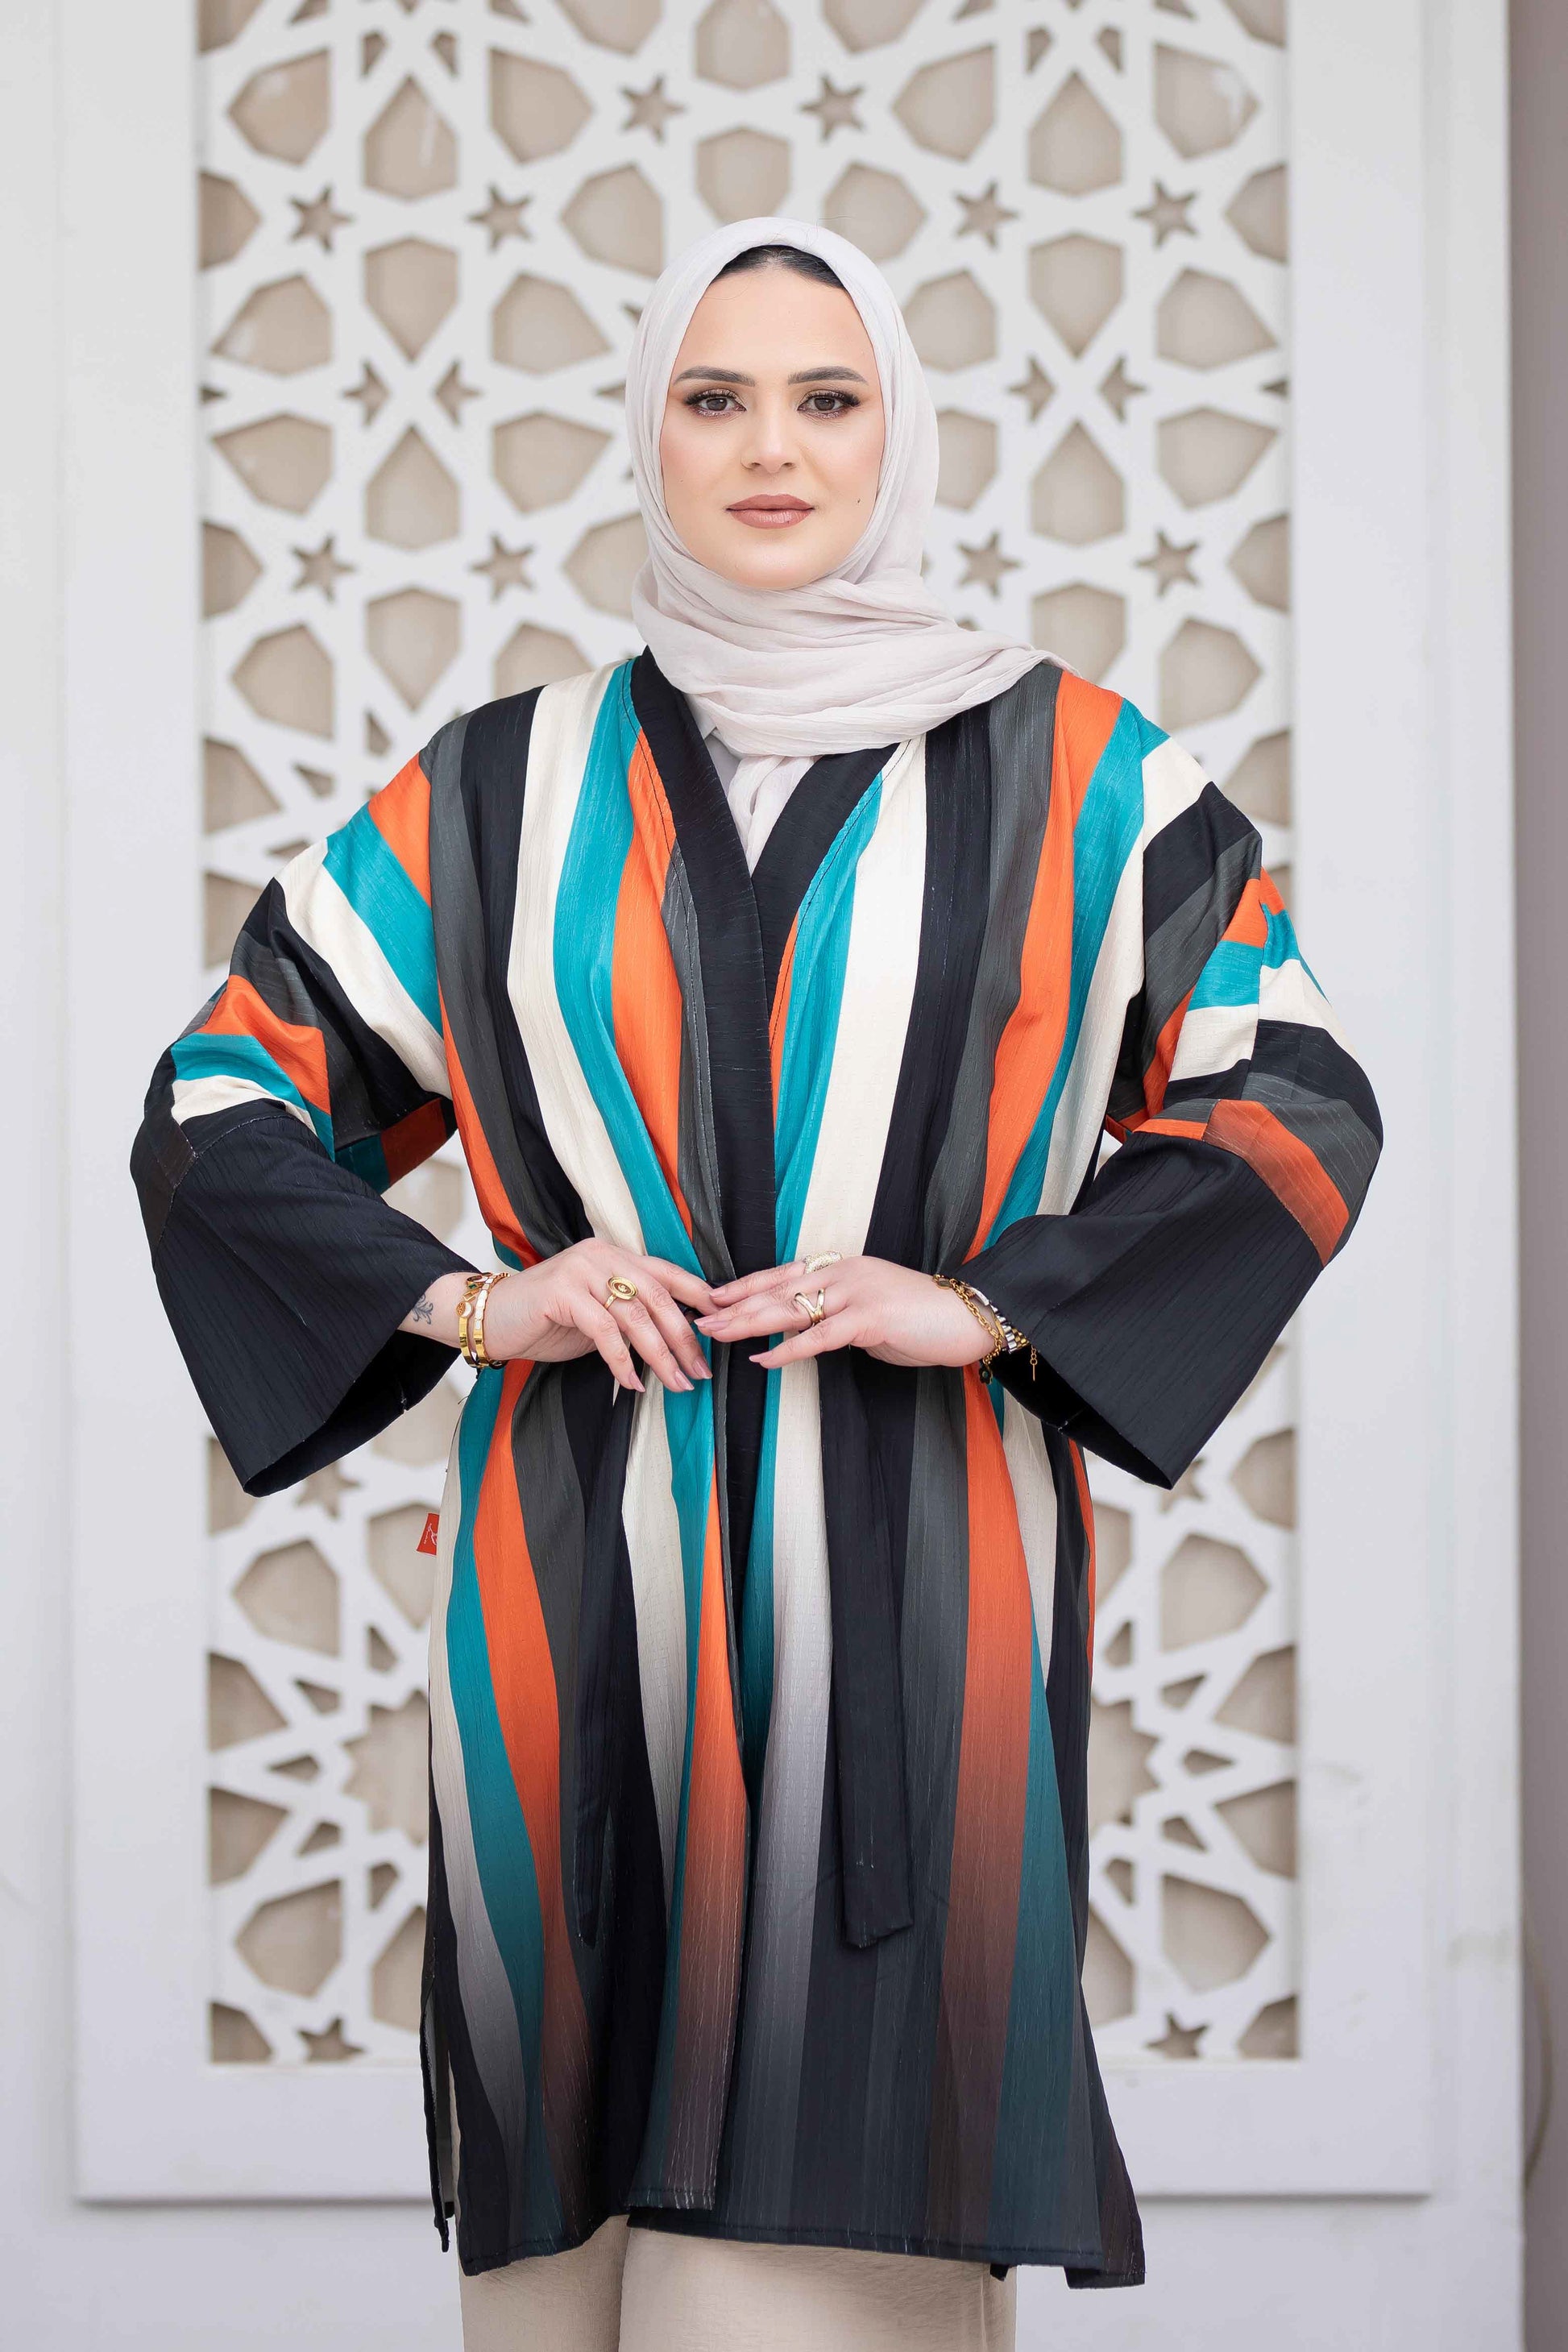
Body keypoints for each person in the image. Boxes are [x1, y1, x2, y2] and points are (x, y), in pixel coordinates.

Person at [132, 216, 1381, 2350]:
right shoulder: (498, 790)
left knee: (791, 2272)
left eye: (827, 397)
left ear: (899, 427)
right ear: (647, 431)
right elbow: (219, 1106)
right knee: (550, 2303)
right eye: (713, 397)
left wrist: (987, 1302)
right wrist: (473, 1303)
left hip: (911, 1618)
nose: (768, 449)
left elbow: (1293, 1095)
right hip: (555, 1616)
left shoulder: (1086, 778)